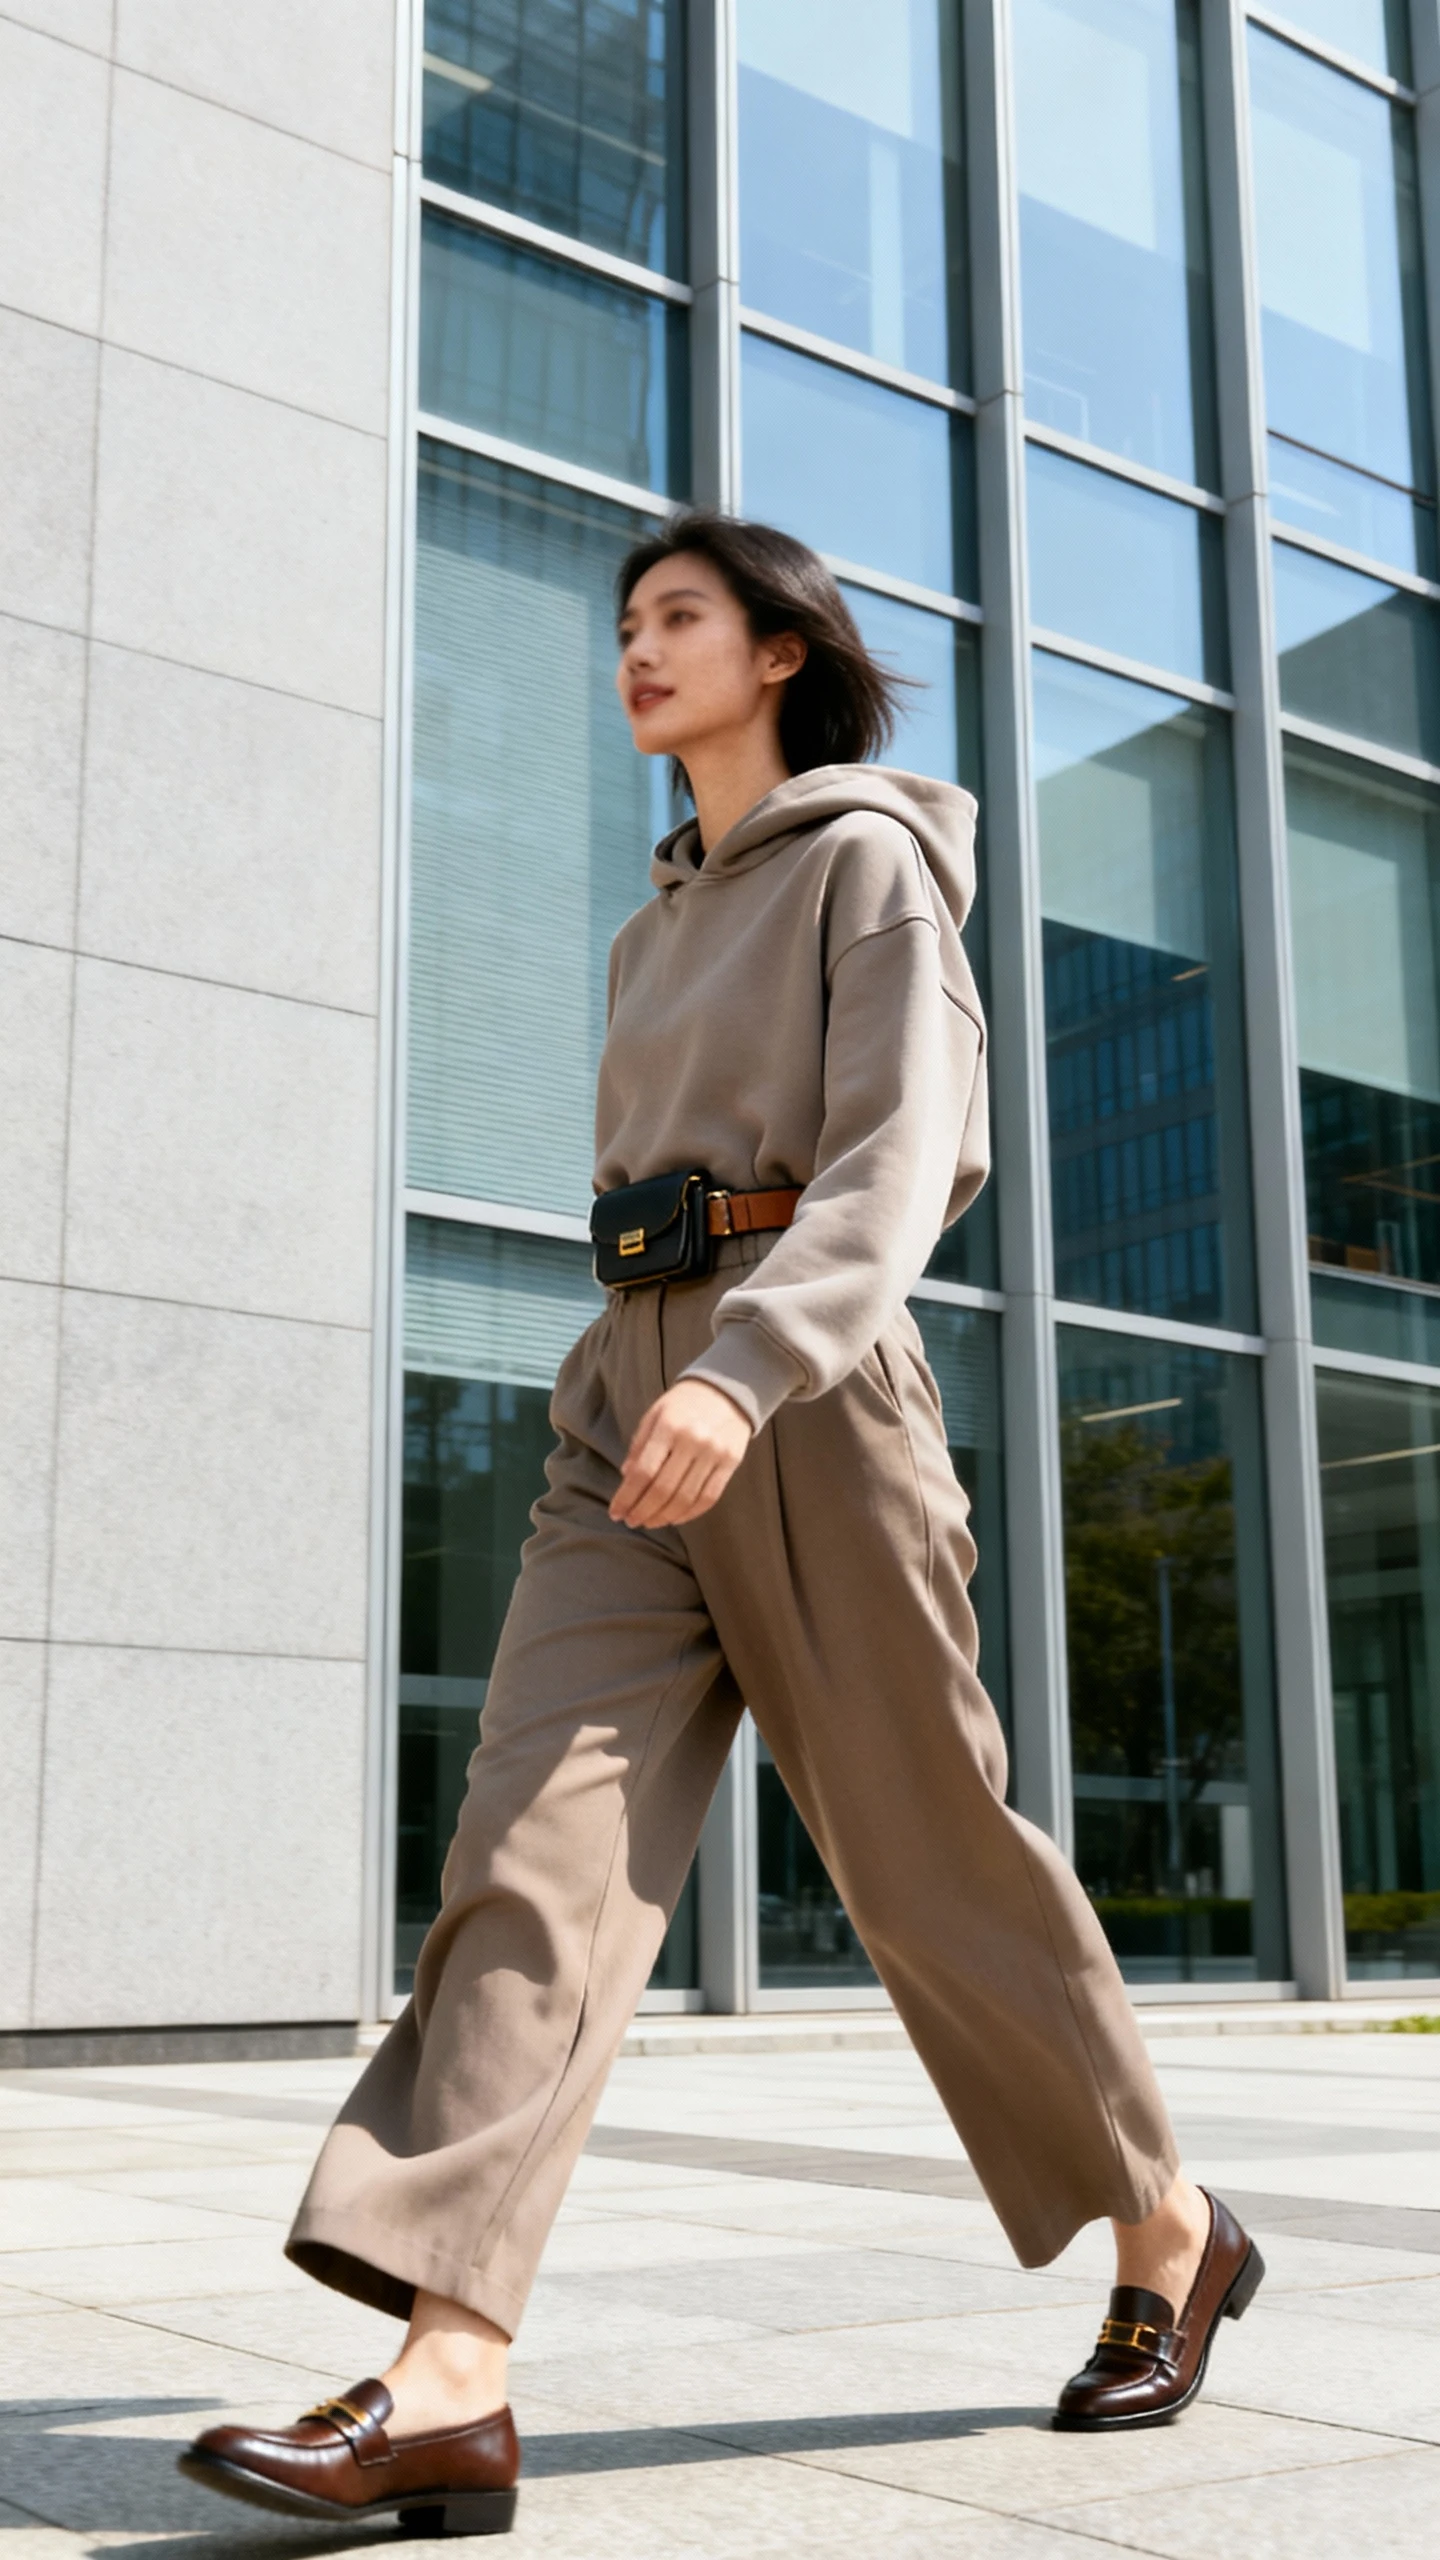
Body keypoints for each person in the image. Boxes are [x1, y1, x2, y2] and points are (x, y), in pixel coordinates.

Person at [179, 513, 1263, 2537]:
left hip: (804, 1395)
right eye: (622, 628)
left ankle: (1171, 2225)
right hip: (627, 1394)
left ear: (783, 651)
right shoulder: (650, 923)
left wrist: (741, 1368)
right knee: (533, 1849)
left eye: (677, 618)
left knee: (925, 1858)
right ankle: (449, 2365)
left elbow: (905, 1153)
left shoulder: (868, 866)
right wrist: (645, 1369)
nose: (634, 653)